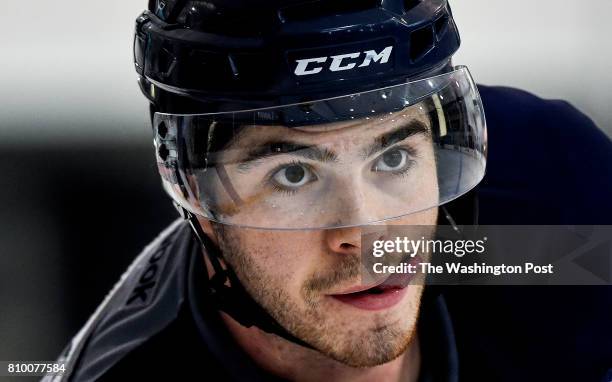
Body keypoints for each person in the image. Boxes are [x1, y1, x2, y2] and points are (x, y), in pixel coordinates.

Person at [46, 0, 612, 381]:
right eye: (293, 174)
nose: (365, 234)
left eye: (393, 157)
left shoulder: (553, 192)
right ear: (193, 189)